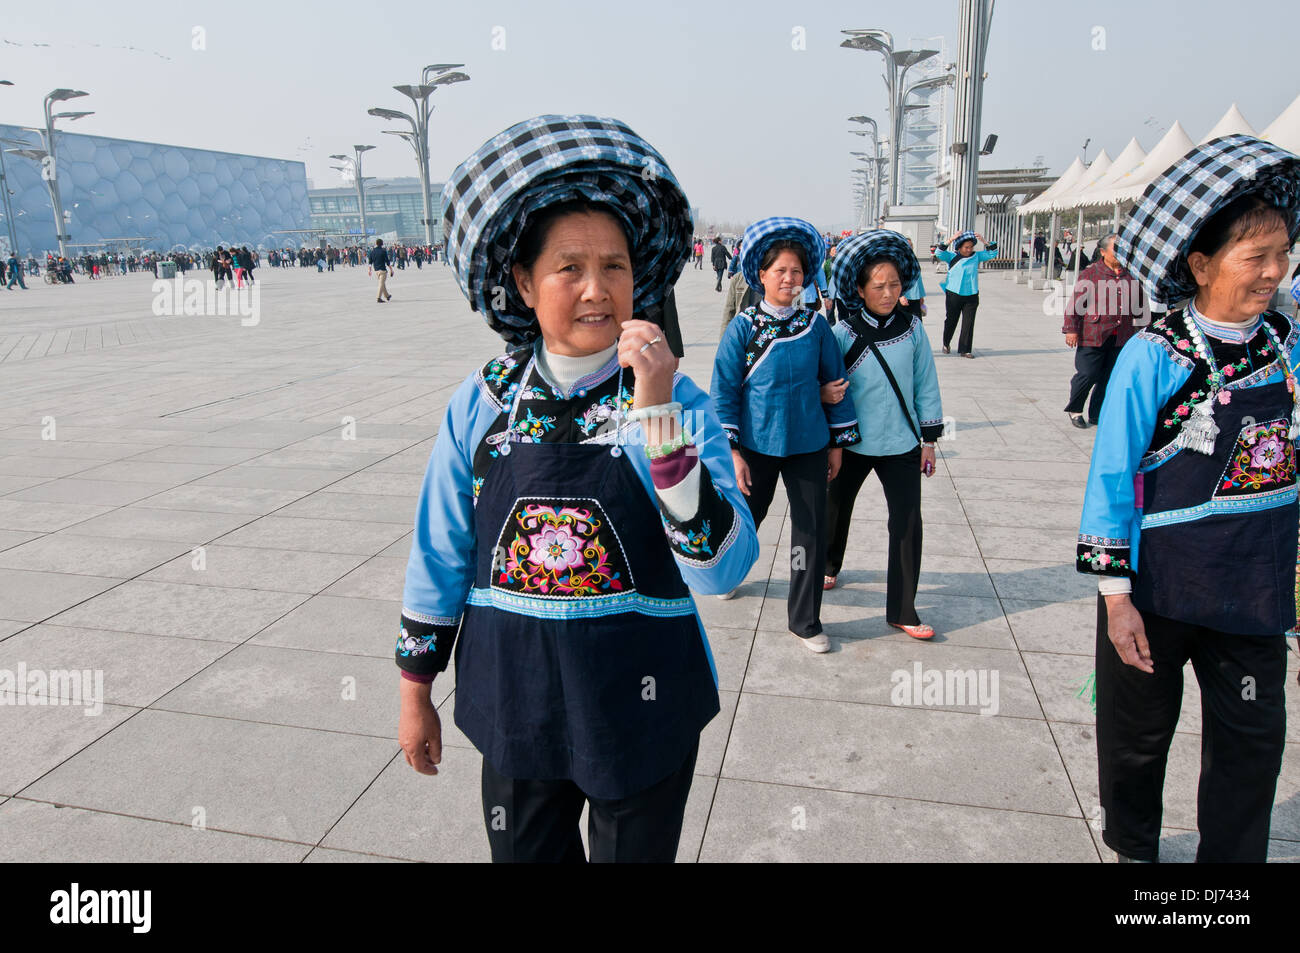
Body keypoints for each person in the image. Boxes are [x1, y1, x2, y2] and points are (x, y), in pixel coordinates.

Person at [396, 114, 758, 864]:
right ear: (525, 283)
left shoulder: (678, 401)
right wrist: (415, 686)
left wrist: (656, 415)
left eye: (616, 266)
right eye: (570, 267)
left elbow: (722, 567)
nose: (597, 290)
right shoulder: (484, 402)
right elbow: (440, 549)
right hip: (515, 698)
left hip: (644, 703)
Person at [1078, 133, 1300, 863]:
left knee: (1251, 743)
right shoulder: (1155, 352)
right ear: (1201, 265)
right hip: (1161, 588)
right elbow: (1112, 475)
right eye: (1256, 257)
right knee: (1137, 736)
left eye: (1283, 252)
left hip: (1255, 591)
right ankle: (1135, 845)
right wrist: (1116, 596)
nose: (1275, 271)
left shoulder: (1288, 348)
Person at [711, 216, 860, 653]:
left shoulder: (816, 326)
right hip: (756, 446)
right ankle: (731, 573)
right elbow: (724, 391)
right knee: (746, 521)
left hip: (810, 445)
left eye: (797, 271)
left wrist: (836, 443)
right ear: (761, 274)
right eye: (780, 271)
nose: (789, 279)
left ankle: (805, 620)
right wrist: (733, 451)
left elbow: (837, 380)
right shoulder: (744, 327)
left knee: (809, 531)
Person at [822, 230, 944, 639]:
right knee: (835, 510)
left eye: (894, 284)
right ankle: (827, 565)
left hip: (902, 444)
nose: (889, 292)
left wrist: (928, 442)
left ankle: (903, 609)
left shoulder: (913, 330)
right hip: (853, 444)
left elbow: (926, 384)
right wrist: (832, 443)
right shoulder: (842, 334)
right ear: (860, 289)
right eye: (879, 286)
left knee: (908, 525)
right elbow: (828, 390)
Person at [1062, 233, 1143, 428]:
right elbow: (1076, 304)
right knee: (1087, 374)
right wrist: (1071, 329)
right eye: (1116, 249)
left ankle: (1097, 414)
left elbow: (1139, 305)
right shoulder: (1090, 274)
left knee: (1109, 377)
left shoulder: (1131, 274)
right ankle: (1075, 410)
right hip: (1093, 334)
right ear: (1103, 252)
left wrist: (1141, 331)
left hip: (1121, 336)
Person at [935, 230, 998, 357]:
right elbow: (939, 252)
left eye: (971, 247)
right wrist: (951, 239)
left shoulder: (977, 256)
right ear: (959, 247)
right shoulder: (952, 256)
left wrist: (985, 241)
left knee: (968, 323)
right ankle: (946, 343)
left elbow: (992, 253)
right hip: (954, 294)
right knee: (951, 320)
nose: (969, 249)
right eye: (966, 247)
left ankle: (965, 350)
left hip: (971, 294)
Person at [369, 238, 393, 303]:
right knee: (381, 284)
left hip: (376, 270)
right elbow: (387, 261)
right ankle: (378, 298)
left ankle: (387, 296)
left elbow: (370, 262)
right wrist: (391, 269)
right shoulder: (383, 251)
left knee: (382, 283)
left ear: (376, 243)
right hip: (382, 270)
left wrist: (369, 270)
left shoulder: (372, 251)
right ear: (382, 244)